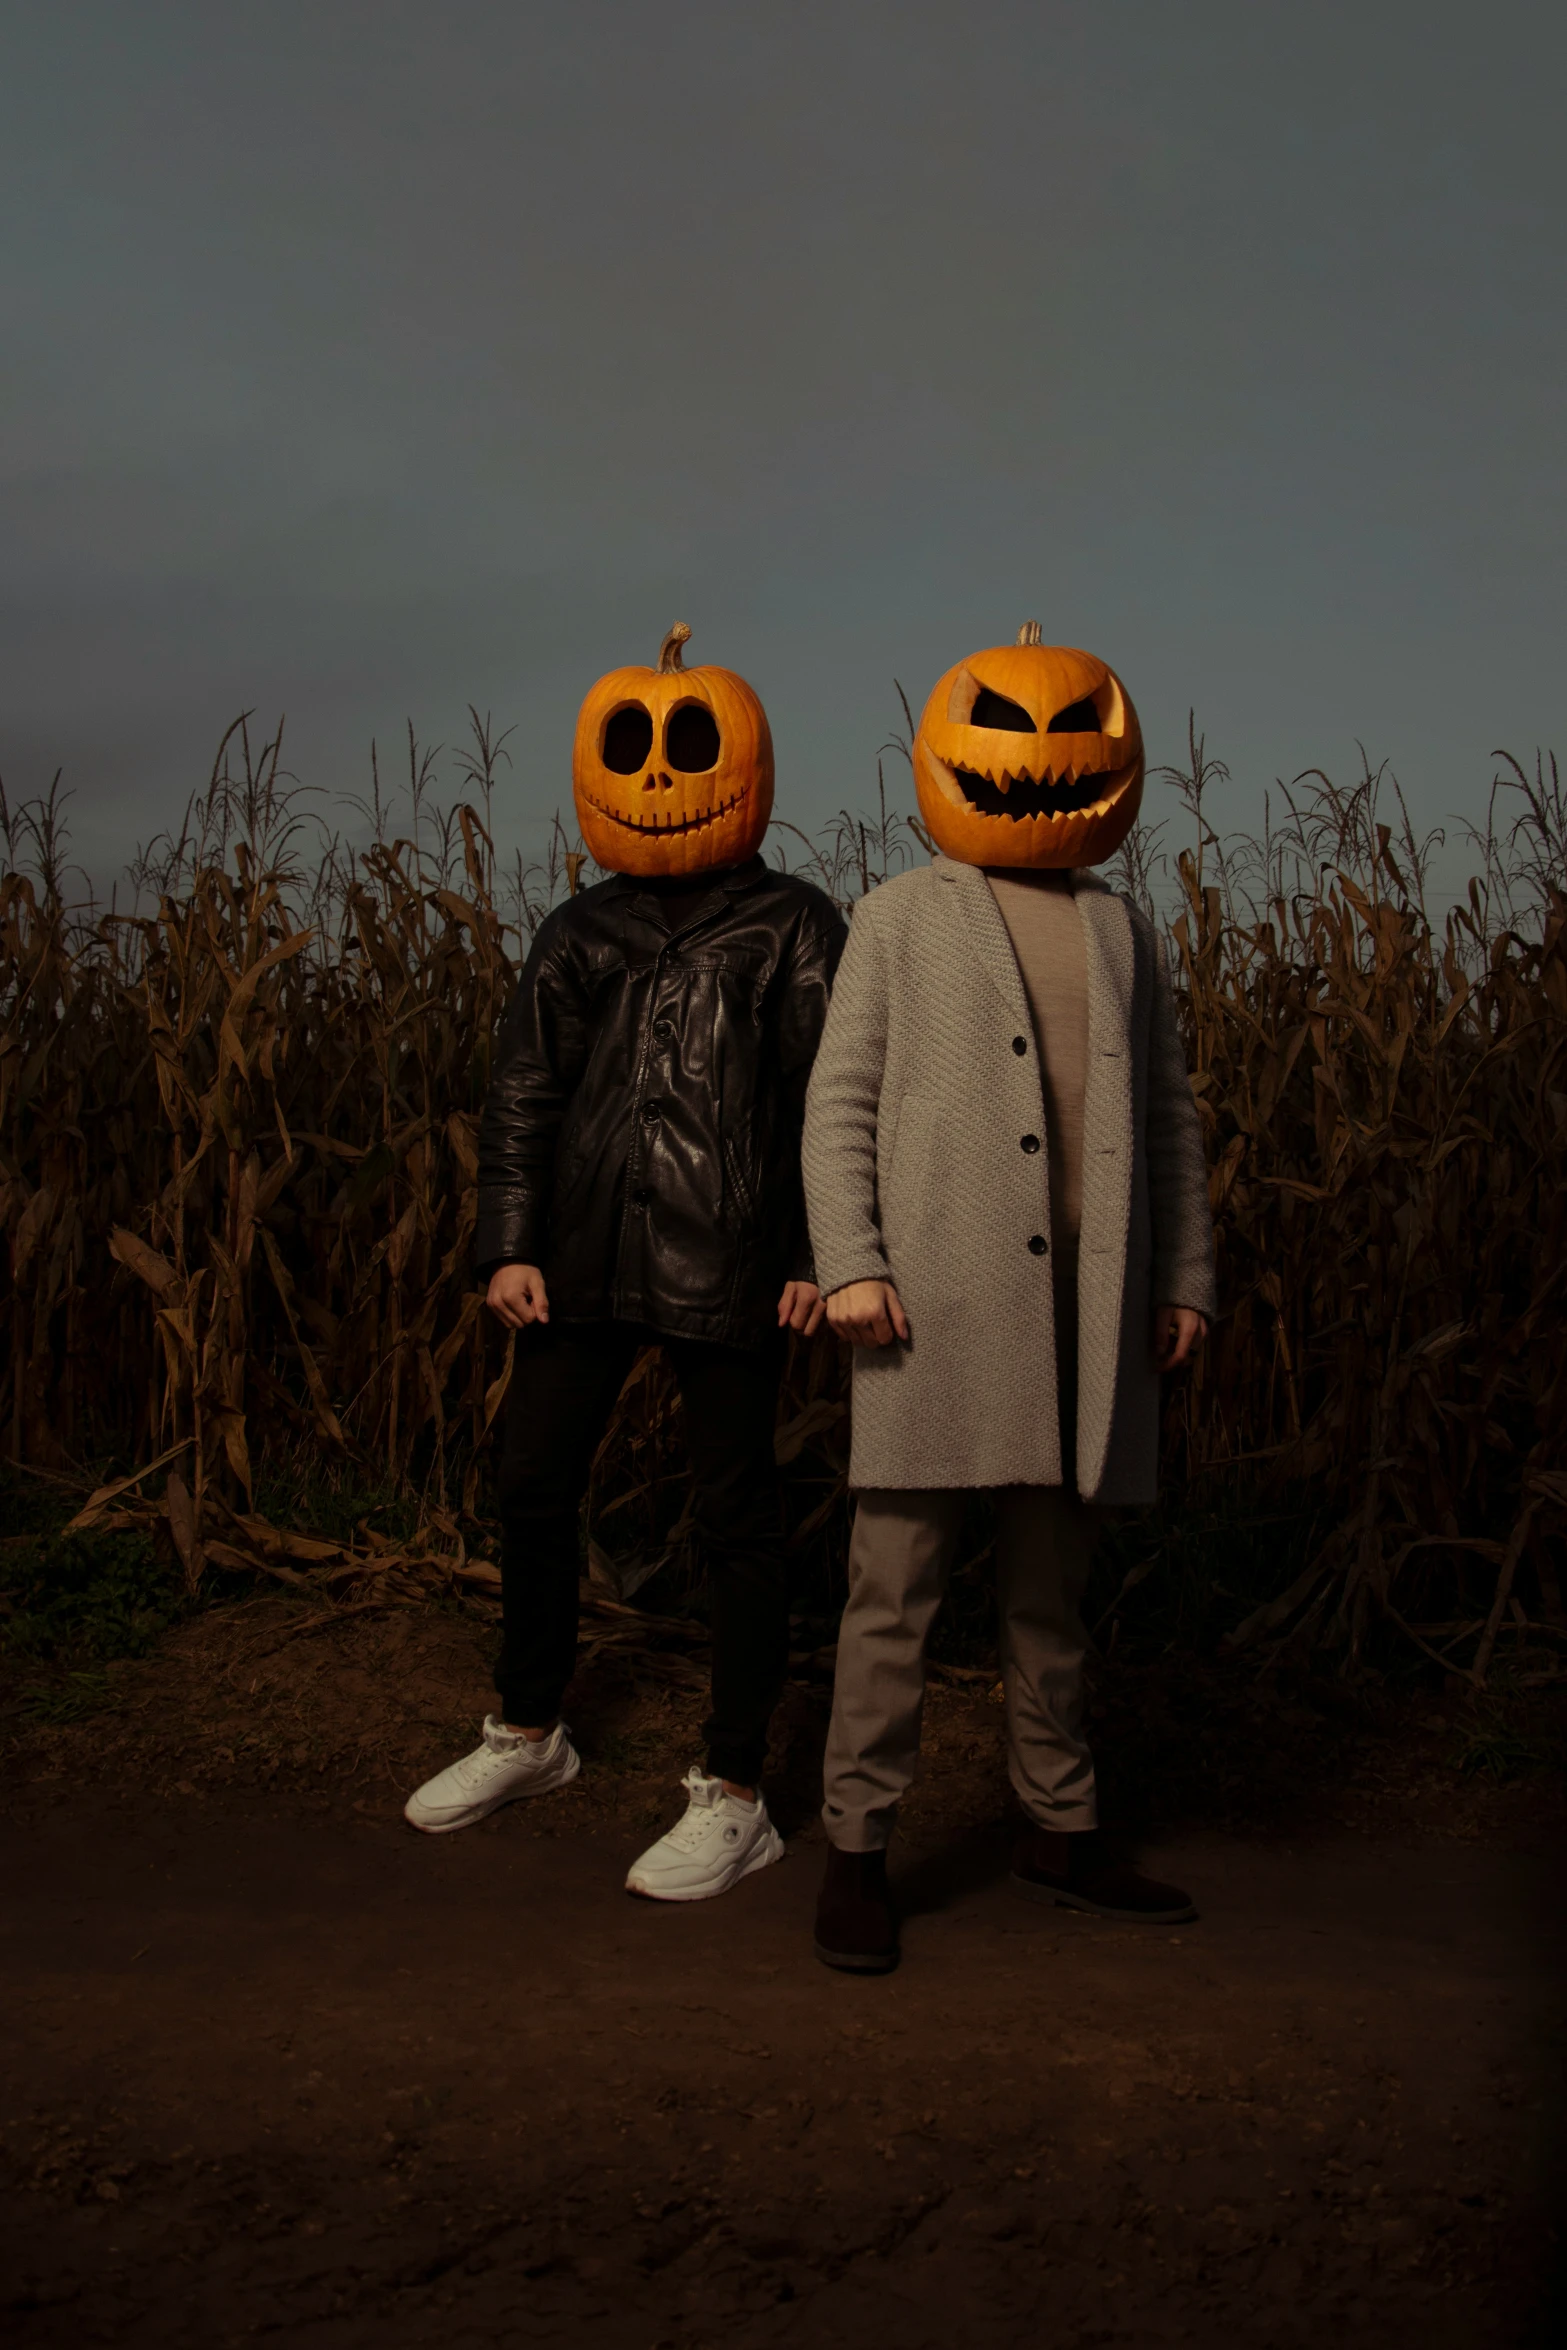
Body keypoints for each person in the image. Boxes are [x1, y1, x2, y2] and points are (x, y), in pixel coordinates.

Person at [404, 625, 846, 1901]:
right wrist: (507, 1243)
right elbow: (524, 1095)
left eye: (689, 747)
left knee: (735, 1520)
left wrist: (823, 1250)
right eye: (633, 748)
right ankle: (530, 1731)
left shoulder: (794, 925)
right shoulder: (576, 929)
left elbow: (837, 1096)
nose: (659, 776)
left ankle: (737, 1791)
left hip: (732, 1259)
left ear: (742, 767)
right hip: (583, 1259)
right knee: (530, 1479)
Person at [801, 625, 1216, 1971]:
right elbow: (839, 1103)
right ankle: (854, 1849)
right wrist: (852, 1262)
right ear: (943, 754)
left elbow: (1165, 1115)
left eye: (1074, 728)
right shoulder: (897, 914)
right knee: (892, 1592)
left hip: (1087, 1323)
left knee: (1051, 1597)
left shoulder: (1119, 924)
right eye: (1004, 725)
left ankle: (1058, 1821)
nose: (1040, 757)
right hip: (928, 1308)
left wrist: (1183, 1276)